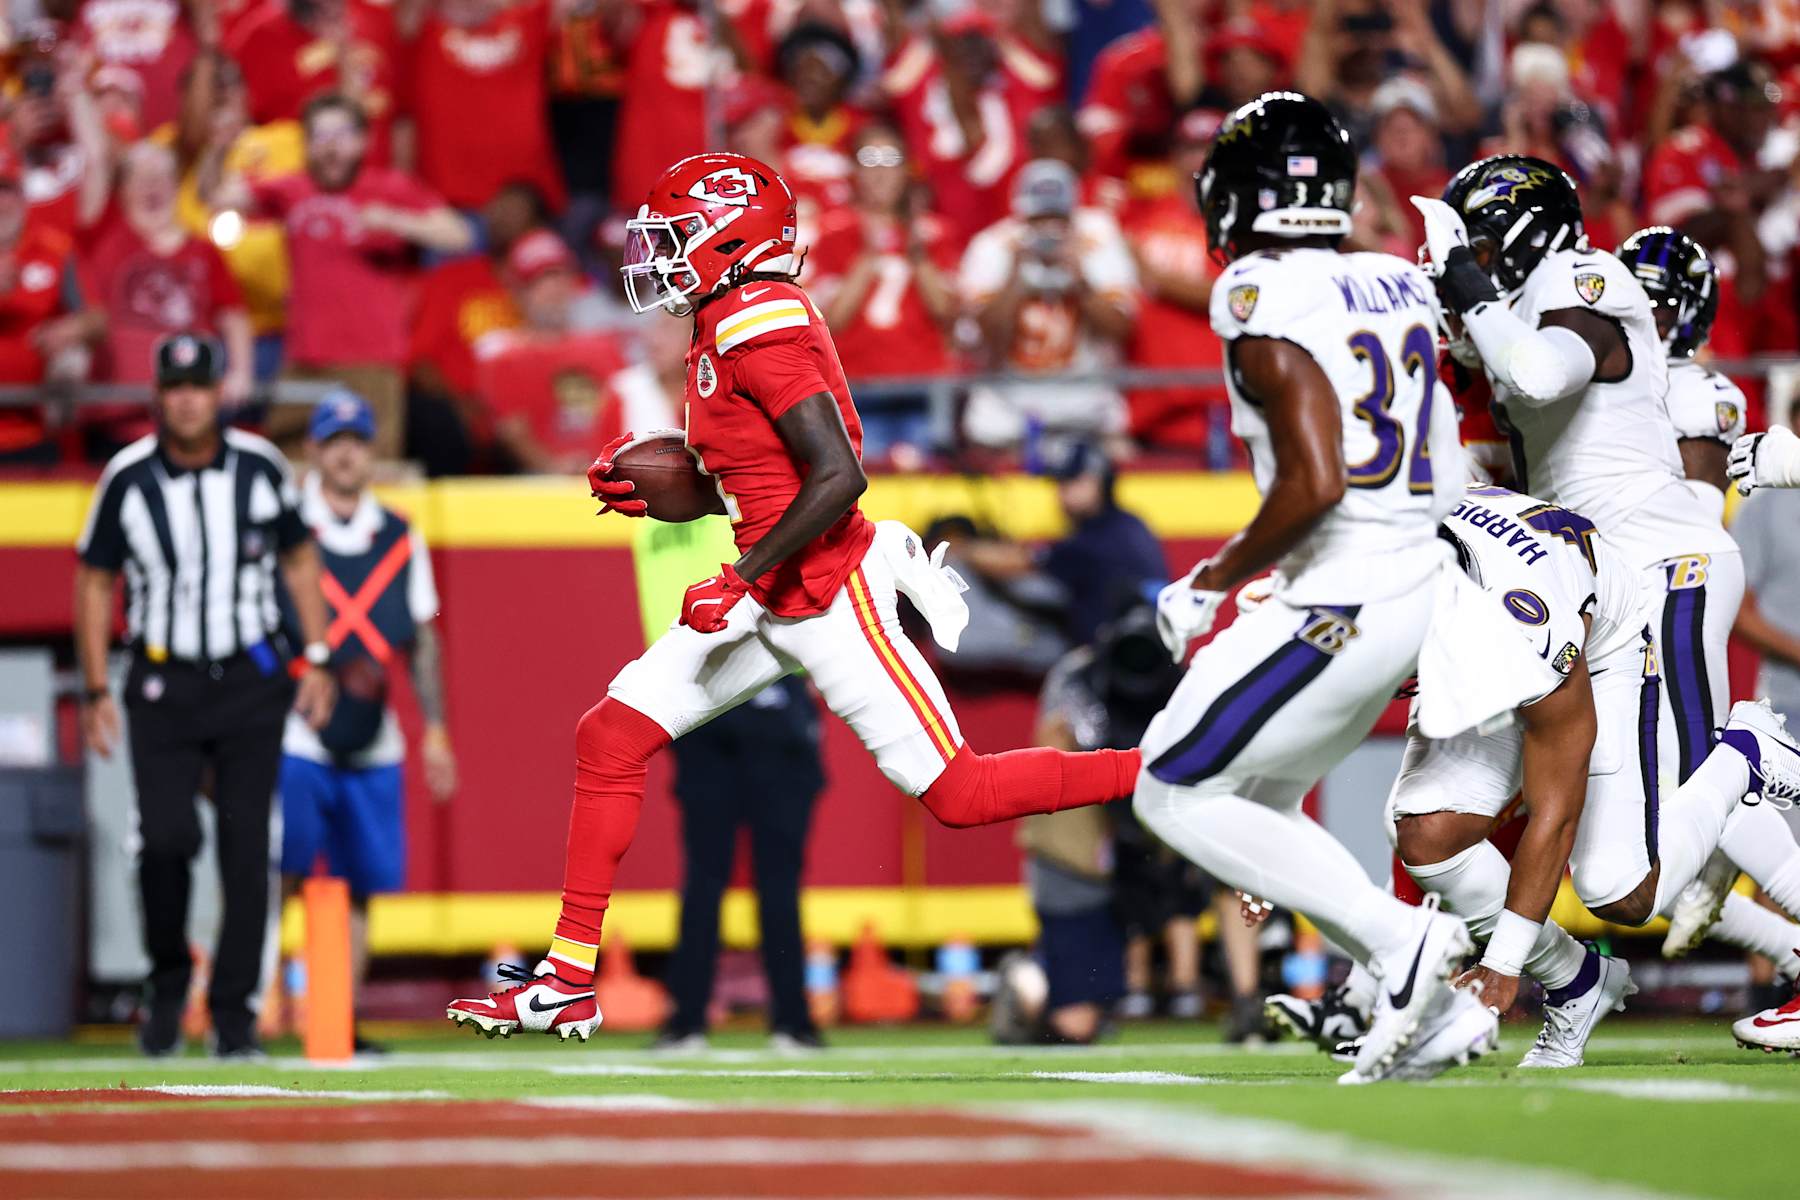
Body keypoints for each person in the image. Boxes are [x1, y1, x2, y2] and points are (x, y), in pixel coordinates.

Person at [446, 152, 1143, 1040]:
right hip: (770, 586)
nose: (657, 257)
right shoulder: (725, 317)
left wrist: (738, 576)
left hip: (822, 592)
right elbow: (755, 475)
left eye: (673, 238)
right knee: (610, 735)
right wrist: (676, 485)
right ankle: (566, 977)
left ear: (725, 240)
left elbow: (839, 475)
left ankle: (1166, 767)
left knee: (961, 794)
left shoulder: (756, 318)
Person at [1130, 92, 1499, 1085]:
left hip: (1349, 586)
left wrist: (1211, 581)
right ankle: (1410, 1002)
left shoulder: (1259, 290)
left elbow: (1315, 480)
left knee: (1167, 786)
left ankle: (1399, 952)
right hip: (1412, 575)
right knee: (1259, 792)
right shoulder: (1392, 277)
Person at [1419, 158, 1800, 986]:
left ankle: (1753, 756)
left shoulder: (1583, 276)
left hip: (1670, 563)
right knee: (1621, 884)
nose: (1475, 259)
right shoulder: (1527, 302)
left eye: (1483, 242)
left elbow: (1538, 371)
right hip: (1607, 584)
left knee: (1694, 789)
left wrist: (1461, 277)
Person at [1382, 486, 1794, 1067]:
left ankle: (1743, 754)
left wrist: (1501, 968)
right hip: (1512, 603)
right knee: (1426, 832)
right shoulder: (1378, 555)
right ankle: (1577, 981)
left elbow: (1557, 811)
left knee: (1618, 891)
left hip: (1601, 650)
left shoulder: (1528, 626)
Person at [73, 331, 336, 1058]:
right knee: (164, 841)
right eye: (174, 386)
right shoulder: (127, 477)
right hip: (161, 681)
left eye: (198, 385)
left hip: (250, 679)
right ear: (158, 395)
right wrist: (96, 686)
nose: (187, 399)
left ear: (218, 391)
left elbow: (300, 556)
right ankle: (164, 988)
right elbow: (95, 580)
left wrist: (316, 655)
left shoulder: (259, 466)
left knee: (247, 848)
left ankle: (233, 1017)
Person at [278, 390, 457, 1054]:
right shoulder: (287, 526)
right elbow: (262, 623)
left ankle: (341, 1018)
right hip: (296, 730)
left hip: (373, 730)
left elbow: (421, 638)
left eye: (358, 439)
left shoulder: (399, 531)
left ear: (372, 451)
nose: (348, 451)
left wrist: (435, 728)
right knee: (284, 867)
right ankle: (258, 1006)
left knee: (361, 884)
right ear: (315, 451)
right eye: (335, 440)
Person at [211, 93, 473, 458]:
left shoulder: (389, 188)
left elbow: (459, 235)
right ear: (306, 144)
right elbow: (221, 199)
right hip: (304, 362)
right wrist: (221, 149)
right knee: (288, 469)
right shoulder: (292, 188)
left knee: (371, 472)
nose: (331, 146)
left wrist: (394, 220)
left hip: (371, 365)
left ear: (364, 140)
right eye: (319, 136)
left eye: (342, 134)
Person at [656, 676, 825, 1054]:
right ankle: (694, 1021)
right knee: (715, 881)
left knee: (760, 884)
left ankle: (784, 1021)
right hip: (724, 711)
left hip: (732, 708)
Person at [960, 158, 1136, 459]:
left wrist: (1082, 283)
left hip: (1086, 417)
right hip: (1007, 417)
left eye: (1057, 219)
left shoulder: (1099, 240)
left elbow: (1121, 330)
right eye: (1039, 219)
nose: (1048, 230)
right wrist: (1014, 281)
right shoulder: (992, 247)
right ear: (1021, 216)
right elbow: (983, 339)